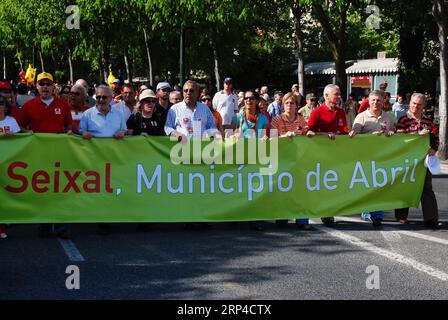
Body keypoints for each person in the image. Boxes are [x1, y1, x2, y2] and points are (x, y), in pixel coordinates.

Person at [22, 72, 73, 239]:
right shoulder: (29, 106)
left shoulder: (63, 105)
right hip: (38, 155)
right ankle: (44, 225)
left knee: (60, 191)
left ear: (53, 86)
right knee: (42, 190)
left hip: (59, 155)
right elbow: (21, 128)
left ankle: (60, 227)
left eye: (48, 84)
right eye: (41, 84)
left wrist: (70, 131)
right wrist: (26, 132)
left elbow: (69, 125)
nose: (45, 87)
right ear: (36, 86)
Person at [79, 85, 127, 235]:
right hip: (94, 159)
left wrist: (122, 132)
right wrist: (83, 133)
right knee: (97, 190)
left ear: (111, 98)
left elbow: (124, 129)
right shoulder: (87, 114)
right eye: (98, 97)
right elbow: (80, 131)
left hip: (113, 158)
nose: (100, 100)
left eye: (104, 97)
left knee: (110, 189)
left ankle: (107, 218)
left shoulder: (118, 114)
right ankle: (98, 219)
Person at [349, 90, 396, 227]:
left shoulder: (390, 117)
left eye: (378, 100)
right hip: (365, 157)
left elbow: (397, 135)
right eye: (373, 100)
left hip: (384, 157)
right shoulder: (361, 117)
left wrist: (391, 133)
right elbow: (353, 138)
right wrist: (370, 136)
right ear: (368, 102)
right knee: (368, 185)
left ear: (383, 102)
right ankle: (371, 213)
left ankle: (374, 213)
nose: (376, 102)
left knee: (379, 185)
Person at [395, 93, 441, 229]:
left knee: (427, 189)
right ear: (410, 103)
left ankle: (431, 218)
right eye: (414, 103)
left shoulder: (429, 121)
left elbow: (436, 138)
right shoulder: (403, 119)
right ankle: (401, 216)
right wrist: (417, 135)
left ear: (423, 106)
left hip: (424, 161)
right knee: (405, 186)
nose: (416, 106)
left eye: (419, 104)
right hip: (407, 160)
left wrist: (433, 149)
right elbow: (400, 138)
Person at [307, 84, 348, 226]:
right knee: (322, 184)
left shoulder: (341, 112)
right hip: (320, 155)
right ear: (326, 95)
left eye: (339, 94)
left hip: (337, 155)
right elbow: (309, 133)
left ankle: (329, 212)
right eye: (336, 94)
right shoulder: (317, 112)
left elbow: (344, 131)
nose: (339, 96)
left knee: (333, 184)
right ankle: (324, 212)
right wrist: (324, 135)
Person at [271, 92, 311, 230]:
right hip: (282, 158)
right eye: (286, 103)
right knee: (282, 188)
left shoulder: (301, 120)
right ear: (283, 105)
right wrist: (285, 136)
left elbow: (306, 134)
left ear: (296, 105)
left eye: (292, 103)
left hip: (298, 159)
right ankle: (282, 216)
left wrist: (309, 133)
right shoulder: (276, 120)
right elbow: (271, 138)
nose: (289, 105)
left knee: (300, 189)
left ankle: (302, 220)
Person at [231, 90, 269, 231]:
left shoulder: (263, 118)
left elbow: (266, 135)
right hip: (240, 157)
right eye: (246, 98)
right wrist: (234, 135)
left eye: (252, 98)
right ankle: (236, 215)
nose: (249, 100)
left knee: (255, 187)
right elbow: (228, 134)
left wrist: (265, 138)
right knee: (239, 186)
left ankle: (255, 218)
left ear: (256, 100)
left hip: (257, 156)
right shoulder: (237, 117)